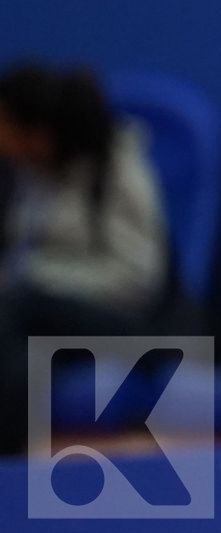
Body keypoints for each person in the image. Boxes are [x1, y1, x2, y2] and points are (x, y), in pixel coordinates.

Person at [0, 64, 170, 455]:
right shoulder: (30, 177)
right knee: (20, 359)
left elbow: (137, 277)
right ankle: (15, 471)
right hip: (47, 319)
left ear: (38, 132)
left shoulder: (120, 171)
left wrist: (39, 281)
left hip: (127, 325)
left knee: (17, 302)